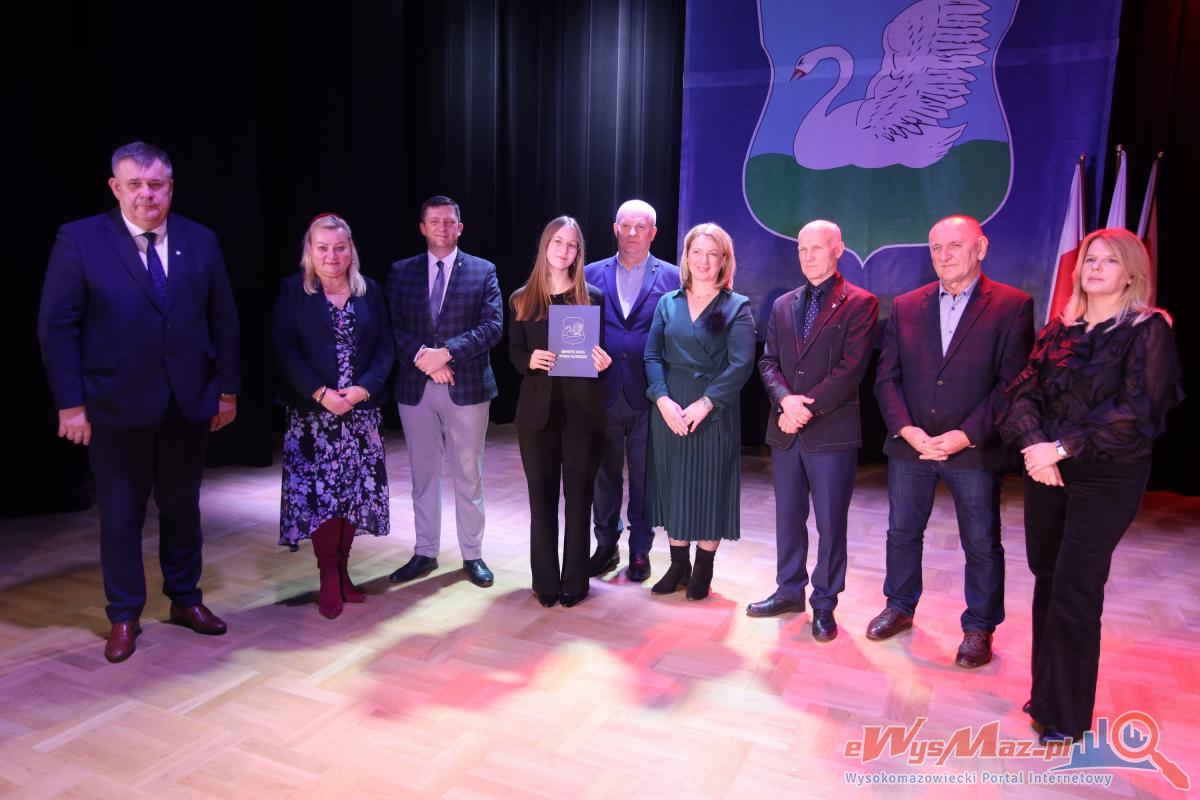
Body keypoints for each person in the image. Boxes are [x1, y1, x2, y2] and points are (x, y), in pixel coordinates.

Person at [37, 141, 240, 663]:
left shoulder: (200, 239)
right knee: (121, 514)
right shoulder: (80, 239)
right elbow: (57, 328)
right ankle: (124, 614)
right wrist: (70, 405)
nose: (146, 194)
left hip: (187, 402)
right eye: (135, 184)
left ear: (170, 187)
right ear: (115, 187)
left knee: (182, 506)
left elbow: (223, 319)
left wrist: (226, 390)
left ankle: (185, 599)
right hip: (114, 404)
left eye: (156, 185)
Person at [1001, 228, 1183, 742]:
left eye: (1109, 261)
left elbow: (1137, 410)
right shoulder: (1060, 329)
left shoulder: (1148, 330)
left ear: (1131, 274)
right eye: (1089, 259)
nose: (1095, 268)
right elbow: (1021, 394)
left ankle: (1065, 716)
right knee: (1047, 577)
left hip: (1106, 475)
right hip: (1046, 468)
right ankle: (1046, 695)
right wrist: (1035, 446)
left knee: (1075, 589)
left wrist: (1059, 448)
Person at [870, 215, 1034, 667]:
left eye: (955, 246)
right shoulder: (907, 305)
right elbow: (887, 379)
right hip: (913, 445)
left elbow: (1012, 384)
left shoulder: (1012, 306)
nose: (944, 256)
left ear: (981, 248)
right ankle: (899, 606)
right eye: (936, 248)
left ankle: (979, 626)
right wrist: (907, 430)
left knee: (980, 542)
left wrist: (965, 435)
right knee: (902, 532)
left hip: (973, 448)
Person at [751, 220, 879, 641]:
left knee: (830, 524)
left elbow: (851, 368)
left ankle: (824, 603)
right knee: (788, 518)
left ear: (838, 249)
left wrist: (803, 409)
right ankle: (789, 591)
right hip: (785, 429)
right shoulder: (783, 304)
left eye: (817, 248)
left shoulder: (861, 303)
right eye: (802, 249)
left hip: (831, 431)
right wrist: (784, 401)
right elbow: (768, 361)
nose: (808, 256)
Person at [272, 214, 394, 619]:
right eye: (322, 248)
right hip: (314, 417)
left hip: (360, 414)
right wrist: (321, 393)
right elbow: (284, 349)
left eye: (340, 247)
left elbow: (386, 348)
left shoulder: (370, 291)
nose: (331, 255)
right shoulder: (293, 291)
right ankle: (327, 572)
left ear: (350, 249)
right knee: (322, 497)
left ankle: (344, 570)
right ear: (309, 251)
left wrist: (363, 390)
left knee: (353, 495)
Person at [385, 196, 503, 588]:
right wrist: (426, 358)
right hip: (416, 387)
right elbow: (392, 326)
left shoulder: (483, 270)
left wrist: (446, 353)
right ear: (422, 228)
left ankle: (472, 555)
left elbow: (493, 327)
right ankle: (425, 551)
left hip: (467, 387)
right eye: (434, 221)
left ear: (460, 228)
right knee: (423, 475)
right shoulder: (401, 272)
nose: (442, 227)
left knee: (469, 475)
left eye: (449, 221)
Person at [643, 223, 756, 601]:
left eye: (712, 254)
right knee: (673, 484)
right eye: (697, 252)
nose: (703, 261)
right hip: (670, 406)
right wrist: (661, 399)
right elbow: (652, 355)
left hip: (714, 408)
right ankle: (678, 565)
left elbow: (741, 364)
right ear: (686, 257)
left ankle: (703, 567)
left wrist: (706, 403)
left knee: (710, 487)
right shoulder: (668, 302)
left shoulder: (735, 306)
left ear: (724, 260)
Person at [508, 217, 613, 607]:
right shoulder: (521, 298)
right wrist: (528, 360)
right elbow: (513, 352)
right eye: (557, 242)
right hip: (537, 416)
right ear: (545, 244)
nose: (564, 250)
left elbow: (599, 353)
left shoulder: (593, 298)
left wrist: (604, 362)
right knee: (542, 500)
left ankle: (575, 582)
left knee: (580, 499)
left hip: (582, 414)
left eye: (572, 245)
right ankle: (545, 581)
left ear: (578, 252)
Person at [584, 200, 680, 582]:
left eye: (641, 226)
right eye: (626, 225)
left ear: (653, 232)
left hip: (650, 394)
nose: (633, 233)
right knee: (603, 477)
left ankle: (640, 550)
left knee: (645, 479)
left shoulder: (674, 278)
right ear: (615, 229)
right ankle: (605, 545)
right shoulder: (589, 274)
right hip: (601, 392)